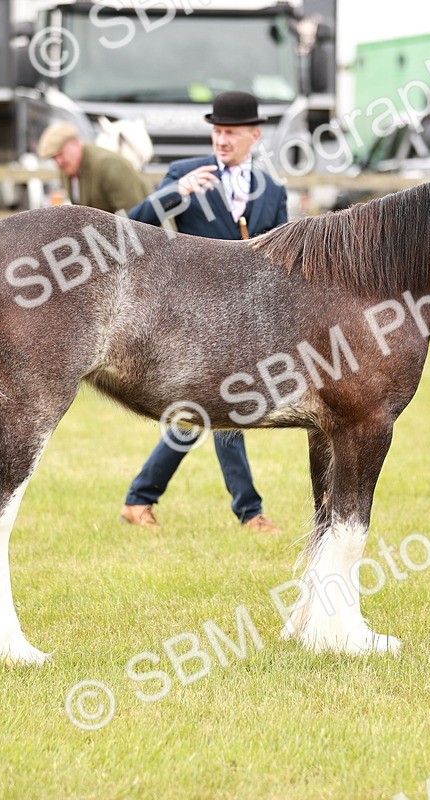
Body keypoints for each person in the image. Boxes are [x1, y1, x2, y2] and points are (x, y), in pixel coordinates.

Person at [119, 90, 287, 534]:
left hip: (248, 318)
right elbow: (136, 226)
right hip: (193, 316)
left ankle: (139, 499)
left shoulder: (273, 191)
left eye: (230, 132)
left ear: (254, 134)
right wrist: (177, 193)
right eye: (216, 131)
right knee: (227, 404)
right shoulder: (182, 174)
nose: (221, 140)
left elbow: (285, 257)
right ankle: (250, 512)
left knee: (200, 412)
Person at [36, 121, 152, 214]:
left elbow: (134, 216)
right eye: (54, 158)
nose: (59, 162)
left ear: (76, 143)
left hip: (154, 236)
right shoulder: (68, 171)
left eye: (61, 154)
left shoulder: (110, 166)